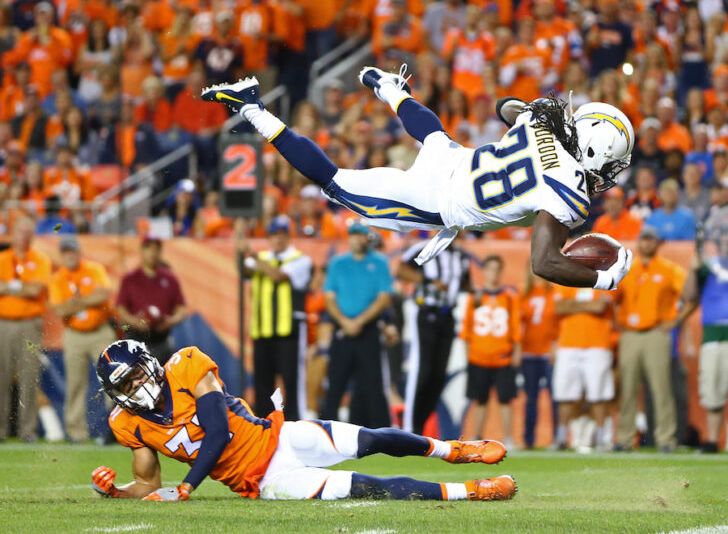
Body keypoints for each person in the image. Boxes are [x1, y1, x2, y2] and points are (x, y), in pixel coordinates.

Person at [201, 65, 633, 291]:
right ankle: (252, 108)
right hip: (437, 199)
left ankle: (389, 86)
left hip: (458, 162)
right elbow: (544, 262)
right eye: (613, 164)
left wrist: (541, 120)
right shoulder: (570, 190)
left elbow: (505, 108)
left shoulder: (543, 121)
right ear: (598, 151)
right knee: (336, 184)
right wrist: (601, 279)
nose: (610, 175)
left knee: (433, 134)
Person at [91, 339, 516, 502]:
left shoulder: (186, 364)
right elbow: (146, 483)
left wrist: (187, 486)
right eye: (123, 386)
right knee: (368, 487)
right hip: (266, 481)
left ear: (150, 364)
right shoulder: (127, 423)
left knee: (372, 438)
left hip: (280, 436)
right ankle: (472, 492)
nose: (133, 390)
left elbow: (217, 433)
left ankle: (454, 450)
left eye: (135, 377)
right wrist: (115, 492)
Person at [613, 225, 685, 452]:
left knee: (661, 388)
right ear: (639, 242)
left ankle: (666, 439)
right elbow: (612, 298)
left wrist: (676, 320)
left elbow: (688, 293)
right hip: (631, 334)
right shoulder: (628, 269)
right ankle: (625, 439)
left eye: (651, 240)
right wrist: (618, 321)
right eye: (644, 239)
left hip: (656, 333)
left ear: (658, 243)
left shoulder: (669, 269)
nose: (647, 243)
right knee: (627, 390)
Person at [239, 215, 312, 421]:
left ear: (288, 237)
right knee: (263, 382)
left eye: (281, 235)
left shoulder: (299, 259)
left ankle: (295, 421)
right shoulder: (261, 258)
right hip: (262, 330)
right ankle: (263, 423)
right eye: (273, 236)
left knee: (291, 381)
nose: (277, 240)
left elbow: (279, 275)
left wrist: (251, 254)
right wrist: (240, 248)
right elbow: (244, 269)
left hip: (288, 330)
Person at [397, 237, 472, 435]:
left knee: (438, 375)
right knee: (423, 371)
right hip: (426, 312)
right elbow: (402, 270)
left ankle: (420, 425)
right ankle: (409, 427)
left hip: (448, 316)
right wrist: (429, 281)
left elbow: (465, 282)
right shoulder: (425, 248)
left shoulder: (461, 256)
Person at [322, 221, 393, 428]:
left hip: (368, 330)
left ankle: (381, 435)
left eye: (361, 235)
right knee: (335, 385)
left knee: (373, 386)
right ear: (349, 237)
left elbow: (383, 298)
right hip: (342, 329)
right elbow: (329, 297)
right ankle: (327, 434)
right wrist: (345, 322)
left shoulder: (379, 262)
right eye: (353, 234)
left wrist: (359, 321)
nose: (357, 238)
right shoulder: (338, 263)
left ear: (367, 238)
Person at [49, 236, 115, 442]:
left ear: (78, 252)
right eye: (65, 252)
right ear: (62, 255)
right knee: (75, 384)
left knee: (112, 380)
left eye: (72, 251)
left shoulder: (93, 269)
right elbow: (59, 309)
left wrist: (75, 302)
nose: (69, 256)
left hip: (100, 332)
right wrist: (88, 300)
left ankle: (117, 430)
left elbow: (103, 294)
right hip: (74, 335)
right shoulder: (58, 277)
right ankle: (76, 432)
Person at [460, 255, 521, 449]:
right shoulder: (475, 298)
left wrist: (517, 350)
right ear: (484, 271)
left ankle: (508, 438)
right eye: (490, 269)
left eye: (497, 269)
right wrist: (468, 355)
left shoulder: (510, 297)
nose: (493, 273)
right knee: (479, 400)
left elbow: (516, 327)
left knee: (505, 400)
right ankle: (477, 436)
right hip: (479, 356)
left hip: (503, 356)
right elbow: (467, 329)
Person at [0, 216, 51, 442]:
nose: (24, 236)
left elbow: (36, 289)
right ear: (13, 233)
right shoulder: (3, 258)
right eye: (20, 231)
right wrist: (22, 286)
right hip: (4, 322)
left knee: (29, 375)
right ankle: (1, 429)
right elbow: (28, 288)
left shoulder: (40, 259)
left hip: (30, 323)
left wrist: (8, 287)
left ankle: (27, 429)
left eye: (28, 232)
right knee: (1, 375)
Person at [678, 228, 728, 452]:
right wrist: (693, 269)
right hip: (714, 336)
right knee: (713, 391)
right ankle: (711, 440)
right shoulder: (709, 266)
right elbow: (689, 295)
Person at [551, 284, 616, 452]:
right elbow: (559, 307)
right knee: (565, 394)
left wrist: (572, 305)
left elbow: (600, 306)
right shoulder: (564, 279)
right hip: (568, 343)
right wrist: (589, 306)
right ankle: (561, 438)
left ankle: (602, 438)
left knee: (599, 394)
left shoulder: (604, 278)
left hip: (598, 343)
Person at [116, 236, 187, 363]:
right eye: (149, 248)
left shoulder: (170, 278)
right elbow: (121, 308)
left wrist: (171, 321)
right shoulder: (130, 279)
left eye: (156, 249)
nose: (153, 253)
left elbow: (181, 308)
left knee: (165, 378)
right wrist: (134, 321)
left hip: (162, 339)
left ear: (160, 252)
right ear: (142, 251)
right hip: (135, 340)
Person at [520, 265, 558, 449]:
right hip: (529, 353)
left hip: (548, 352)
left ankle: (558, 438)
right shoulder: (522, 293)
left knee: (555, 397)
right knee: (531, 399)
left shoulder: (553, 292)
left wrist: (556, 345)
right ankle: (528, 439)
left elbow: (559, 322)